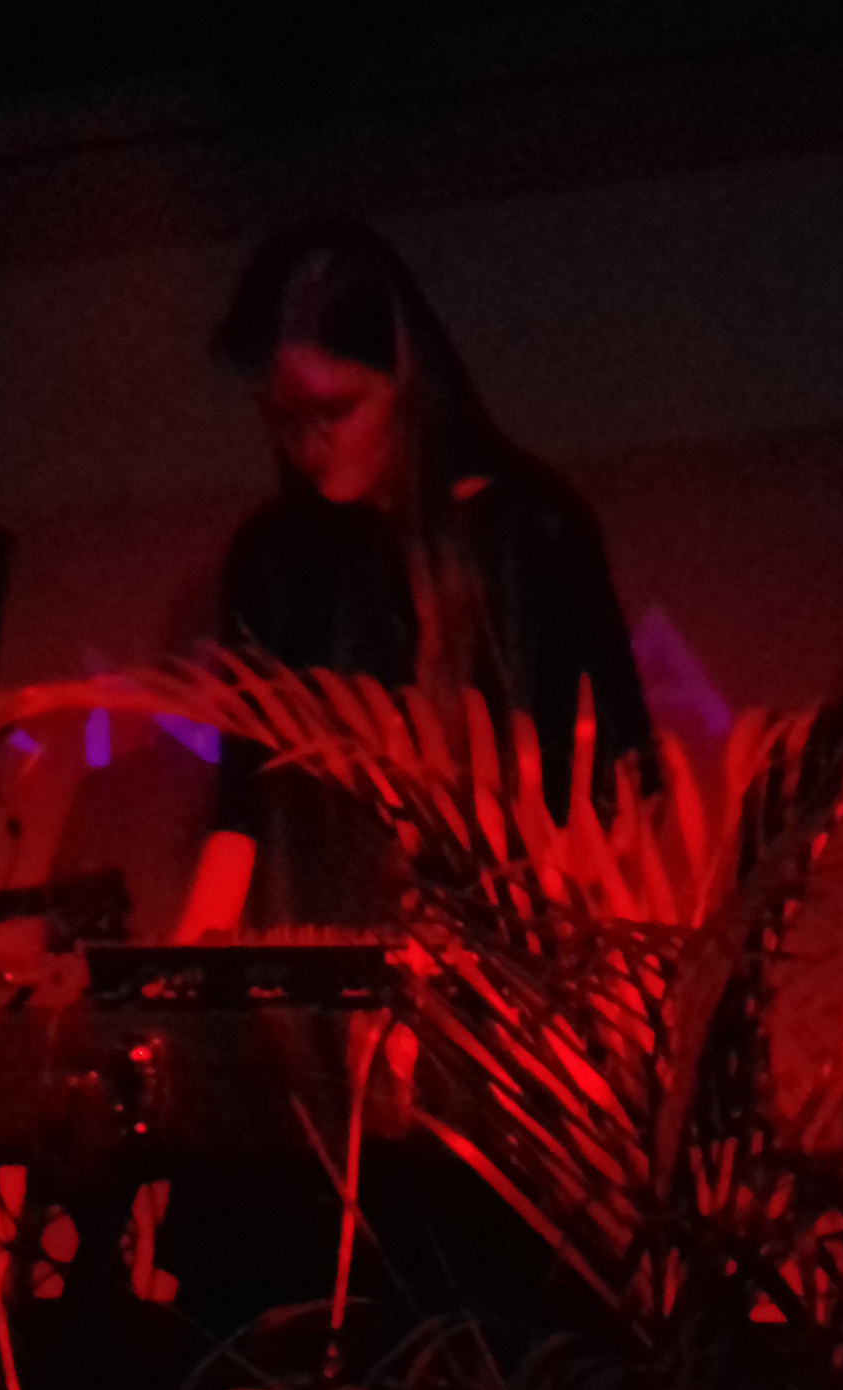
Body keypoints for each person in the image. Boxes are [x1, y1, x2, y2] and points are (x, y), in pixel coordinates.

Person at [179, 220, 655, 934]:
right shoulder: (274, 557)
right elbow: (243, 803)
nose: (306, 443)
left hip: (514, 956)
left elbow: (620, 782)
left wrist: (551, 932)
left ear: (404, 371)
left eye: (335, 409)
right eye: (282, 418)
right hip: (335, 955)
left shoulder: (532, 532)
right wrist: (191, 956)